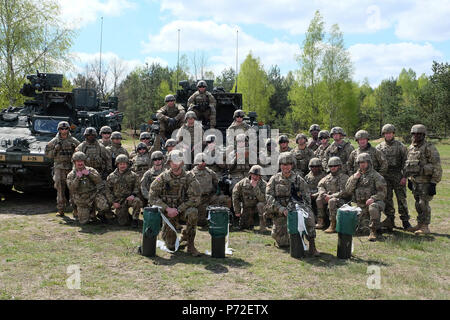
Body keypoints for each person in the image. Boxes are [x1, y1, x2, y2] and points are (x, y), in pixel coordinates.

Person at [149, 150, 202, 256]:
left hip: (182, 211)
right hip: (167, 213)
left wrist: (178, 209)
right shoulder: (163, 178)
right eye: (172, 161)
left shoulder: (189, 178)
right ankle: (179, 237)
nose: (175, 164)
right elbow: (152, 196)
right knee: (171, 246)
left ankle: (190, 245)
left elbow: (195, 199)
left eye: (177, 161)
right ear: (169, 163)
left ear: (182, 162)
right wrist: (167, 209)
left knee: (193, 212)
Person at [265, 152, 319, 256]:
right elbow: (268, 196)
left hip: (296, 211)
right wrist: (281, 209)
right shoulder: (274, 179)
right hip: (280, 212)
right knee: (283, 243)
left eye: (288, 164)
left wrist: (304, 210)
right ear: (280, 165)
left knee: (310, 217)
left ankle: (312, 245)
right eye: (283, 164)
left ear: (292, 165)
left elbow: (306, 196)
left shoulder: (298, 179)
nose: (286, 167)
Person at [404, 124, 442, 235]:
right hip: (415, 182)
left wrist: (434, 183)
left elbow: (437, 166)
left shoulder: (429, 147)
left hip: (426, 182)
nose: (416, 136)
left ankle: (425, 226)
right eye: (414, 134)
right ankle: (419, 224)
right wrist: (410, 179)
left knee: (423, 204)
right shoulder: (411, 147)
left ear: (423, 135)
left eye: (419, 134)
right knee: (417, 203)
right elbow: (410, 165)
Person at [375, 124, 411, 231]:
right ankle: (390, 220)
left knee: (401, 198)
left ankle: (405, 221)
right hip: (385, 176)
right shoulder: (379, 147)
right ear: (383, 134)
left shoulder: (401, 146)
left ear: (393, 134)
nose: (388, 135)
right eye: (386, 133)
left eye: (390, 133)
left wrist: (404, 177)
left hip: (398, 175)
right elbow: (377, 163)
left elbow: (406, 163)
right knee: (387, 199)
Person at [345, 153, 387, 241]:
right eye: (360, 163)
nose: (362, 164)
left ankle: (373, 231)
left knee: (373, 207)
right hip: (360, 206)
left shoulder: (376, 176)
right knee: (361, 230)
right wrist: (354, 179)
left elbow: (383, 193)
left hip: (373, 204)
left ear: (369, 163)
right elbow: (348, 191)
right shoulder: (355, 176)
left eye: (364, 162)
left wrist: (373, 198)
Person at [44, 121, 80, 216]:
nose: (64, 130)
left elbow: (81, 154)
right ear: (59, 130)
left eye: (66, 128)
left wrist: (75, 150)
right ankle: (61, 209)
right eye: (62, 129)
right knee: (60, 188)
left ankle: (75, 209)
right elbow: (48, 155)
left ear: (69, 129)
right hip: (59, 167)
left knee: (73, 189)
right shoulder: (54, 141)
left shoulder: (74, 141)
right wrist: (55, 149)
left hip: (71, 167)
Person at [66, 152, 110, 225]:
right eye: (78, 161)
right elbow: (72, 188)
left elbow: (99, 181)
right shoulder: (71, 174)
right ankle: (90, 213)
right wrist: (77, 178)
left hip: (93, 196)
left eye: (82, 161)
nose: (80, 163)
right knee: (83, 222)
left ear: (84, 161)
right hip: (82, 199)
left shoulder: (91, 170)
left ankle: (100, 214)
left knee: (104, 205)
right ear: (74, 162)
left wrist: (89, 174)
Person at [190, 153, 229, 227]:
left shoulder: (210, 172)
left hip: (210, 197)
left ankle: (222, 219)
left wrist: (219, 191)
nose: (203, 163)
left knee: (225, 199)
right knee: (201, 223)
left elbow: (216, 182)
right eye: (201, 161)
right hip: (199, 199)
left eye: (205, 161)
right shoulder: (191, 174)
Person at [105, 154, 143, 228]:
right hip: (118, 200)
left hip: (129, 198)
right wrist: (113, 202)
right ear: (117, 164)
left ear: (127, 164)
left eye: (124, 164)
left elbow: (137, 187)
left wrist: (133, 195)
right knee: (123, 223)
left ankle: (135, 219)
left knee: (137, 201)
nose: (123, 166)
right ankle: (126, 215)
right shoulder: (111, 176)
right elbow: (108, 191)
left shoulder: (133, 175)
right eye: (121, 164)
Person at [315, 157, 350, 232]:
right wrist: (323, 193)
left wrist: (331, 196)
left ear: (339, 166)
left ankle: (333, 224)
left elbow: (344, 192)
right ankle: (320, 221)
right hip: (329, 197)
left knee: (332, 201)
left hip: (343, 200)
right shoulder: (327, 177)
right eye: (331, 166)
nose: (333, 168)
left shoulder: (344, 177)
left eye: (335, 166)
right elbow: (320, 186)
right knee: (319, 199)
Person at [232, 165, 267, 231]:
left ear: (260, 176)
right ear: (250, 174)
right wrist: (237, 211)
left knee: (261, 205)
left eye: (258, 175)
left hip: (258, 207)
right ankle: (249, 223)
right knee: (244, 227)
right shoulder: (242, 183)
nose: (255, 177)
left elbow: (263, 199)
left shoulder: (264, 184)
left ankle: (263, 226)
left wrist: (255, 187)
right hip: (246, 206)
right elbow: (235, 195)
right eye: (254, 175)